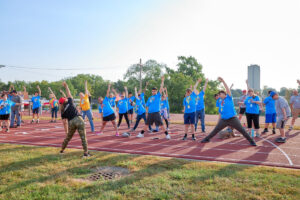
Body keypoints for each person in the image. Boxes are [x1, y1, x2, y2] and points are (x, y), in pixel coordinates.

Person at [201, 77, 257, 146]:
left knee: (242, 130)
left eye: (221, 93)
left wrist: (223, 81)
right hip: (224, 120)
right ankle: (207, 138)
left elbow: (227, 89)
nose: (219, 95)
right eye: (219, 94)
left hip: (233, 119)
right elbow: (220, 112)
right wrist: (219, 120)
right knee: (216, 129)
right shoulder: (220, 101)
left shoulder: (229, 98)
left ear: (225, 94)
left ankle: (251, 141)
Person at [59, 81, 90, 157]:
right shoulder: (70, 101)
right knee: (83, 137)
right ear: (65, 100)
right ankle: (86, 153)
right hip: (78, 119)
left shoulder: (62, 111)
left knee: (68, 138)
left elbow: (64, 123)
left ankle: (62, 150)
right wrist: (66, 86)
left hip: (71, 123)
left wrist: (66, 132)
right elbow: (69, 93)